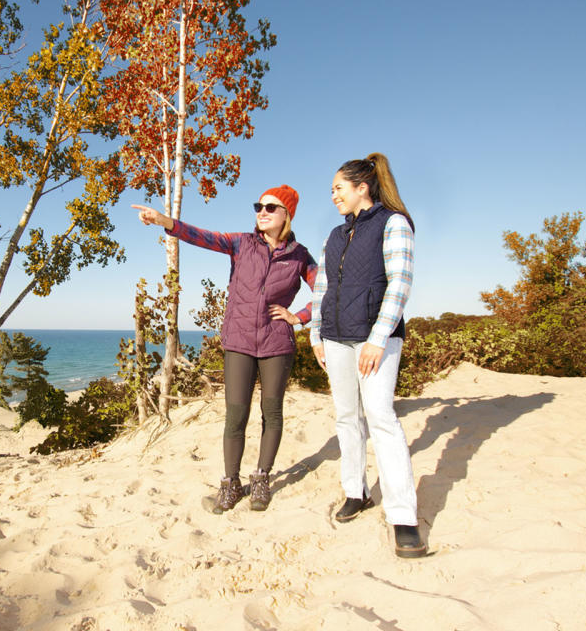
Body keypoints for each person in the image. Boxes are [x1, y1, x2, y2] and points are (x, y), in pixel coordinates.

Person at [132, 185, 317, 514]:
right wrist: (164, 221)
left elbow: (329, 292)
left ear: (287, 215)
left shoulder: (300, 255)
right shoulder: (241, 243)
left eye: (270, 208)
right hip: (239, 342)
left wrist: (298, 316)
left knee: (271, 414)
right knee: (236, 415)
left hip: (276, 343)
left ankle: (261, 478)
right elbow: (200, 235)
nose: (261, 212)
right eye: (258, 205)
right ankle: (230, 483)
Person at [309, 152, 426, 558]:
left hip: (376, 340)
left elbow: (399, 284)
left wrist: (378, 338)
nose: (333, 195)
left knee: (381, 419)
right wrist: (316, 335)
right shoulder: (336, 236)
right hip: (336, 339)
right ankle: (355, 492)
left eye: (338, 188)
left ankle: (403, 517)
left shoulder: (393, 223)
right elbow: (321, 289)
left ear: (363, 187)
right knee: (346, 416)